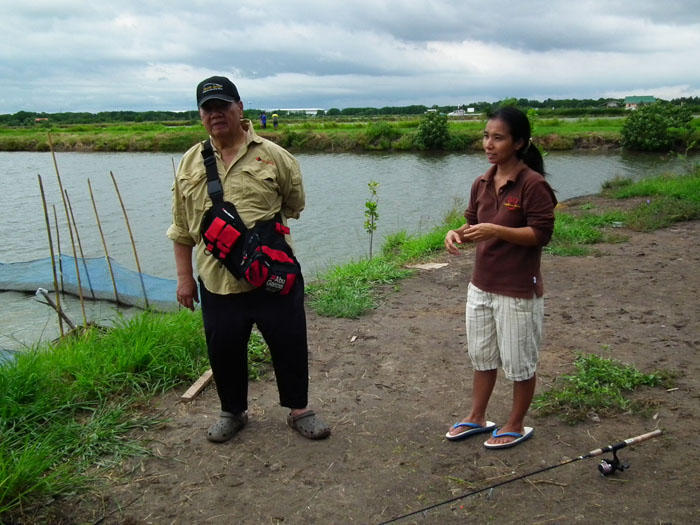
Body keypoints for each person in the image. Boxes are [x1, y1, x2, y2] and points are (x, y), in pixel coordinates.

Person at [167, 76, 330, 442]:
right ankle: (232, 411)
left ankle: (299, 409)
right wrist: (183, 279)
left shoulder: (273, 155)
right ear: (200, 115)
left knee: (288, 342)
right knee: (223, 350)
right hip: (216, 280)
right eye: (208, 109)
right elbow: (181, 228)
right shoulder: (190, 163)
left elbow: (294, 204)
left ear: (240, 108)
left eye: (223, 106)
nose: (216, 114)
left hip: (271, 274)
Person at [444, 107, 556, 449]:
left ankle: (515, 423)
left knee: (519, 362)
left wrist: (497, 230)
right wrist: (455, 233)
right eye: (485, 136)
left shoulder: (533, 185)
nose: (488, 144)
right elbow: (473, 224)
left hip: (518, 290)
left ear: (519, 143)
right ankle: (477, 417)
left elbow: (541, 234)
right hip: (481, 285)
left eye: (498, 137)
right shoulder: (481, 182)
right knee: (482, 356)